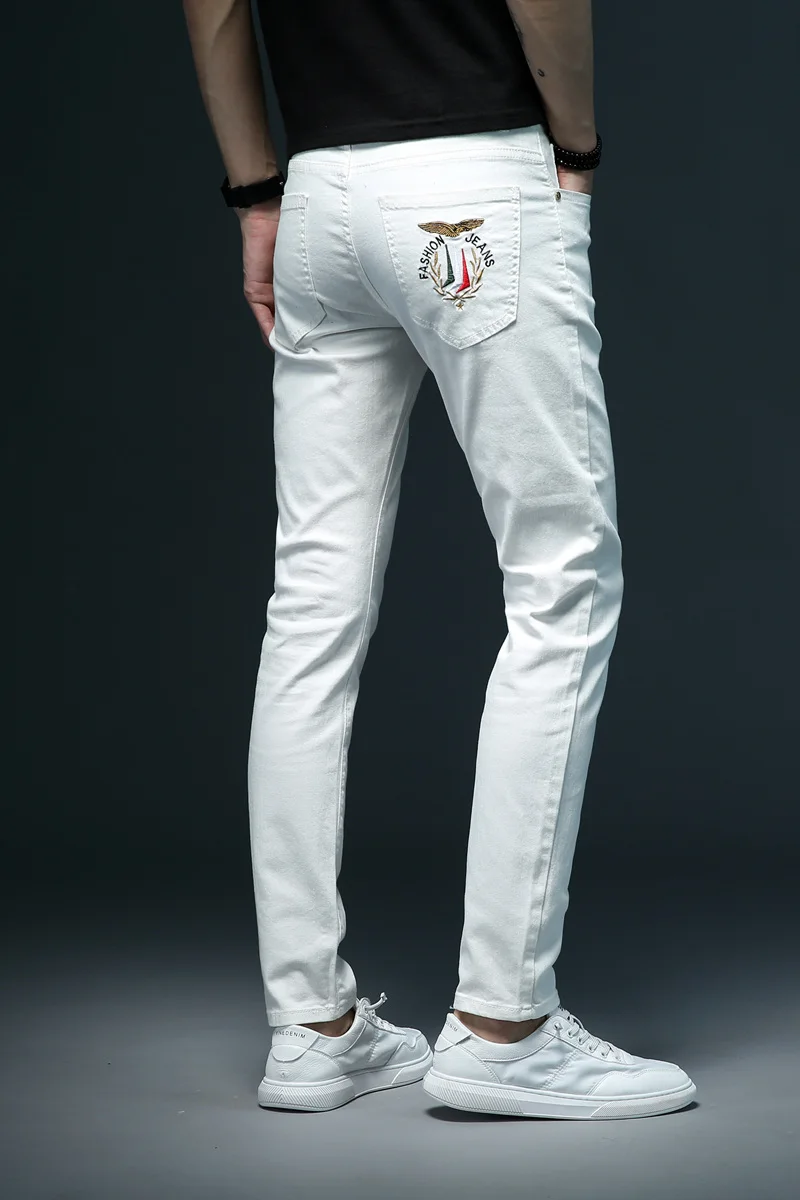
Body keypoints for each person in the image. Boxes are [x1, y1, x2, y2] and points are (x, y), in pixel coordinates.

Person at [182, 0, 697, 1119]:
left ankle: (311, 1028)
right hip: (473, 180)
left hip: (318, 192)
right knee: (561, 581)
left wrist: (256, 193)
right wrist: (575, 151)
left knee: (309, 606)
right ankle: (506, 1025)